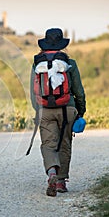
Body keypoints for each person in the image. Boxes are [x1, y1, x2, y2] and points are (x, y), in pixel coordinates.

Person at [30, 28, 86, 197]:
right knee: (65, 143)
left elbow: (34, 93)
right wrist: (80, 111)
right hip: (67, 108)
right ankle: (61, 182)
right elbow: (79, 91)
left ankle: (52, 173)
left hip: (45, 110)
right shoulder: (70, 63)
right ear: (62, 45)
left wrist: (38, 111)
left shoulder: (37, 64)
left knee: (48, 144)